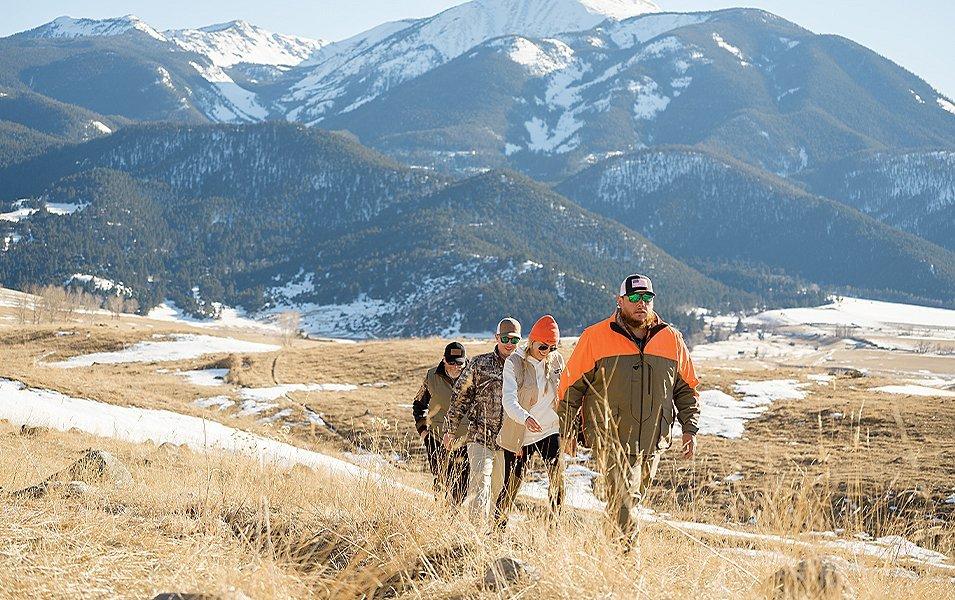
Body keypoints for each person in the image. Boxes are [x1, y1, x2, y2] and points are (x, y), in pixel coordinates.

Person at [558, 274, 700, 544]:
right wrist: (566, 430)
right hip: (611, 438)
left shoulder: (671, 339)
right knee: (625, 504)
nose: (641, 303)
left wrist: (689, 429)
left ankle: (603, 552)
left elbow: (687, 388)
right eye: (634, 297)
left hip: (652, 441)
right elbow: (570, 388)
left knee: (627, 502)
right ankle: (626, 561)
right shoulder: (595, 336)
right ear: (620, 300)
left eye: (647, 297)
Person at [443, 317, 521, 523]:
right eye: (505, 338)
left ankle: (491, 535)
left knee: (498, 491)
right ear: (497, 337)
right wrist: (450, 430)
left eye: (514, 340)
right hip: (480, 436)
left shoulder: (522, 367)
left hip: (507, 441)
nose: (509, 344)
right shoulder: (479, 364)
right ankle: (475, 535)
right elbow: (460, 397)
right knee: (480, 486)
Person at [495, 315, 566, 529]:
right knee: (511, 485)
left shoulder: (556, 360)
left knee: (558, 482)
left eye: (553, 347)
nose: (547, 352)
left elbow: (564, 393)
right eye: (543, 347)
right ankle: (497, 530)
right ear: (531, 342)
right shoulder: (514, 363)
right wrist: (525, 417)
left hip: (550, 430)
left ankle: (554, 529)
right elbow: (508, 400)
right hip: (521, 433)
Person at [411, 341, 471, 504]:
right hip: (437, 440)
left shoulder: (475, 375)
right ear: (444, 359)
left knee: (461, 487)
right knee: (442, 482)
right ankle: (440, 513)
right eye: (451, 363)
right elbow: (418, 405)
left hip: (466, 442)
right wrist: (424, 433)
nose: (456, 367)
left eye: (459, 363)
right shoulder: (431, 376)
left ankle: (452, 514)